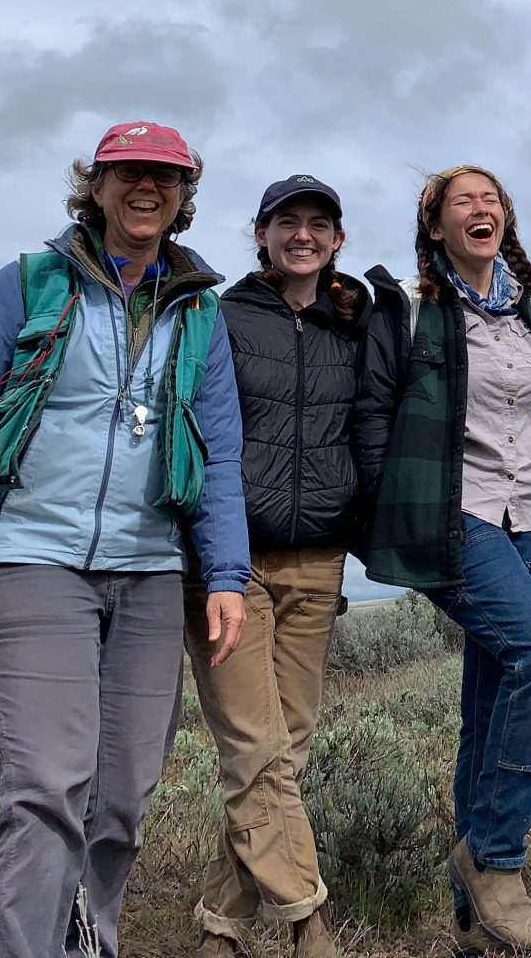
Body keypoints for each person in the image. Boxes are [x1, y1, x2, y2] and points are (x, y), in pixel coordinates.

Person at [0, 121, 250, 958]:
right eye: (128, 172)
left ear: (182, 195)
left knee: (123, 793)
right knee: (45, 787)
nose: (147, 188)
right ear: (94, 186)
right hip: (27, 555)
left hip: (149, 567)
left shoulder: (198, 311)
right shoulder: (28, 285)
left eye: (165, 178)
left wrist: (228, 571)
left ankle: (86, 944)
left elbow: (221, 450)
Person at [354, 164, 531, 952]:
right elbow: (373, 414)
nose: (481, 209)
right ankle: (496, 858)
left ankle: (469, 921)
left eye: (491, 199)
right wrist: (383, 508)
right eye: (461, 201)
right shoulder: (405, 304)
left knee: (489, 697)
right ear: (436, 227)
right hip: (451, 512)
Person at [190, 176, 369, 958]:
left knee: (282, 753)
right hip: (231, 566)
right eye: (286, 223)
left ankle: (222, 927)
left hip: (318, 560)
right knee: (256, 749)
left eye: (318, 224)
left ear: (338, 240)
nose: (303, 235)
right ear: (259, 235)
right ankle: (309, 922)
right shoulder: (220, 318)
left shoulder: (353, 326)